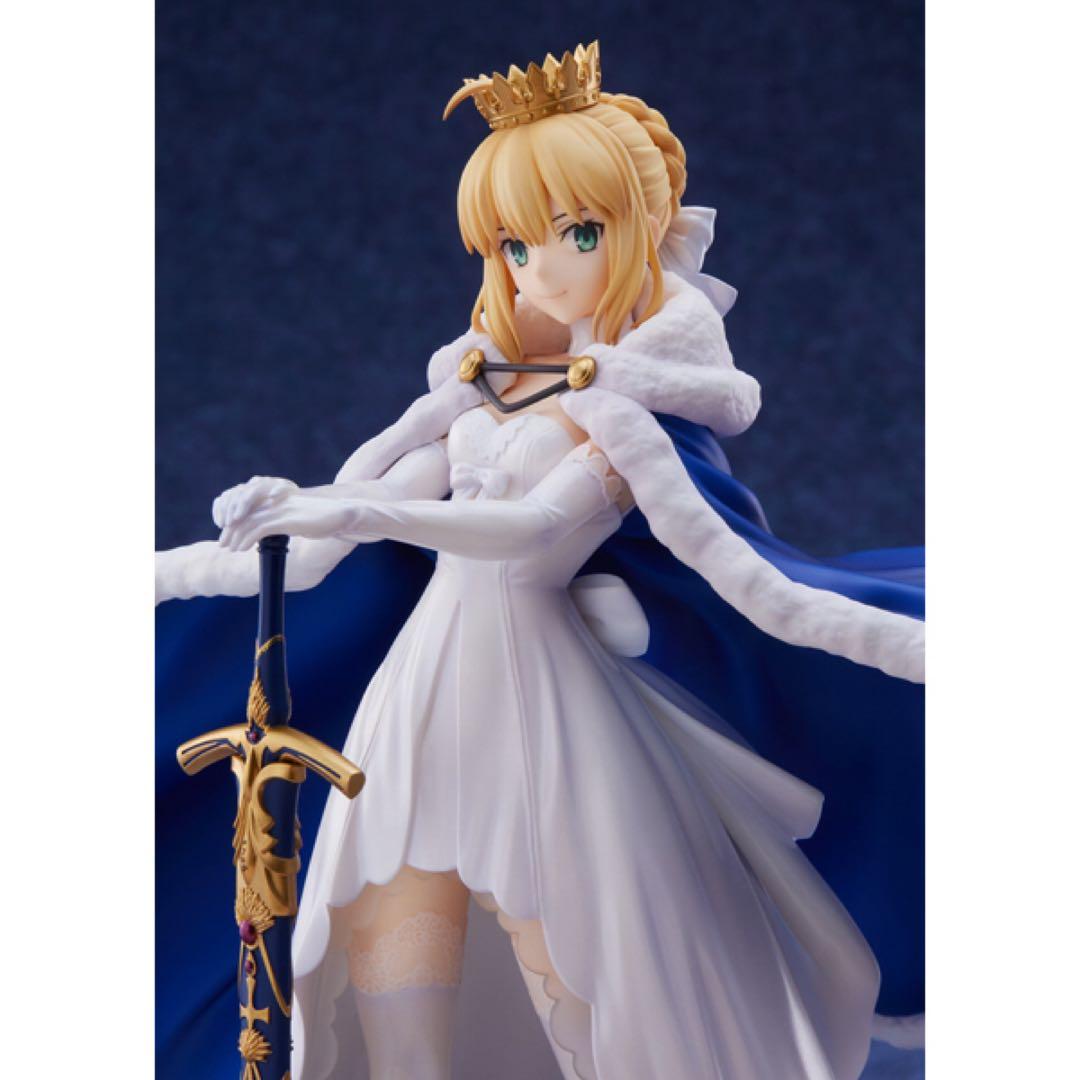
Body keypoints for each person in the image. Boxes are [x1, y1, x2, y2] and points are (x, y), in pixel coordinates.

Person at [156, 42, 925, 1080]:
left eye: (576, 234)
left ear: (637, 232)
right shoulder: (483, 382)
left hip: (547, 686)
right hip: (423, 686)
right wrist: (297, 504)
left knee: (571, 934)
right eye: (515, 245)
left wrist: (369, 507)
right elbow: (393, 483)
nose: (541, 269)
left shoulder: (625, 405)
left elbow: (532, 530)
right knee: (390, 915)